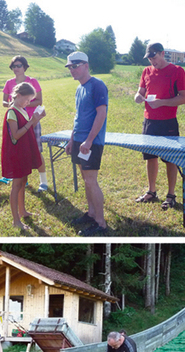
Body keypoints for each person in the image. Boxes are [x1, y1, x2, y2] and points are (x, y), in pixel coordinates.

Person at [133, 42, 185, 211]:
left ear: (163, 53)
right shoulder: (146, 71)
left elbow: (183, 98)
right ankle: (152, 191)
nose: (152, 61)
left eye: (154, 57)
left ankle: (171, 195)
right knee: (150, 157)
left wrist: (162, 103)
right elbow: (140, 91)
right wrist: (137, 97)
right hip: (149, 121)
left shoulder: (177, 71)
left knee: (170, 159)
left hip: (168, 121)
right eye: (149, 58)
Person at [65, 51, 109, 236]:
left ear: (86, 66)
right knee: (86, 180)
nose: (72, 70)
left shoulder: (97, 85)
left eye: (75, 66)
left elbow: (101, 114)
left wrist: (89, 140)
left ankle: (101, 223)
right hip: (80, 141)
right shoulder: (79, 88)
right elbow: (78, 117)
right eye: (70, 67)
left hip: (92, 142)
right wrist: (72, 139)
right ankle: (91, 214)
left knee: (91, 181)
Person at [1, 82, 45, 230]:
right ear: (18, 95)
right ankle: (16, 220)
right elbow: (16, 135)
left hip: (24, 151)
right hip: (16, 153)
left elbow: (27, 129)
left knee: (23, 181)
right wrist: (32, 121)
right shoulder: (12, 112)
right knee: (16, 184)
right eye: (27, 99)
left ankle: (23, 211)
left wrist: (36, 119)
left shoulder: (22, 109)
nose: (28, 102)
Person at [2, 56, 49, 191]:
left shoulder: (32, 81)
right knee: (20, 151)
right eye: (13, 66)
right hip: (16, 121)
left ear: (25, 67)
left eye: (19, 65)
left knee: (36, 149)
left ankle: (43, 182)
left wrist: (24, 104)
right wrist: (13, 105)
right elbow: (4, 102)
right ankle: (23, 180)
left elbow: (39, 101)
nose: (16, 68)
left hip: (32, 119)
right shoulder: (9, 83)